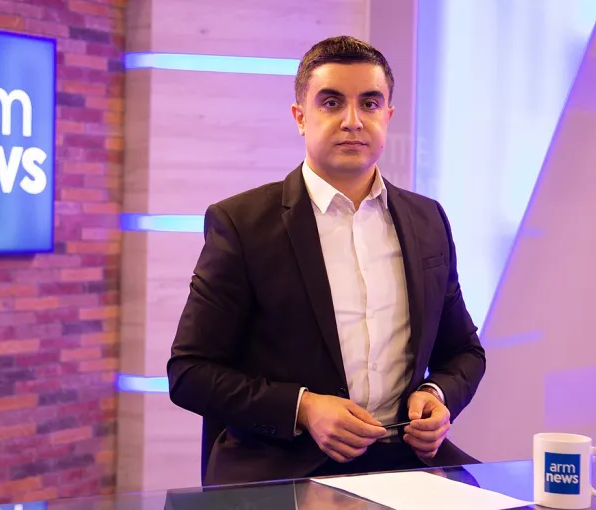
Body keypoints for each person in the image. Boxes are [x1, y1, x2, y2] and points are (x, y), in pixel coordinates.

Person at [166, 35, 486, 487]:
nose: (353, 121)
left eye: (370, 104)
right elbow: (190, 372)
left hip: (406, 461)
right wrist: (304, 408)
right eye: (332, 103)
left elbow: (465, 352)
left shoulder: (427, 219)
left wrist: (438, 394)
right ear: (300, 117)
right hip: (284, 468)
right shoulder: (241, 223)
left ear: (388, 115)